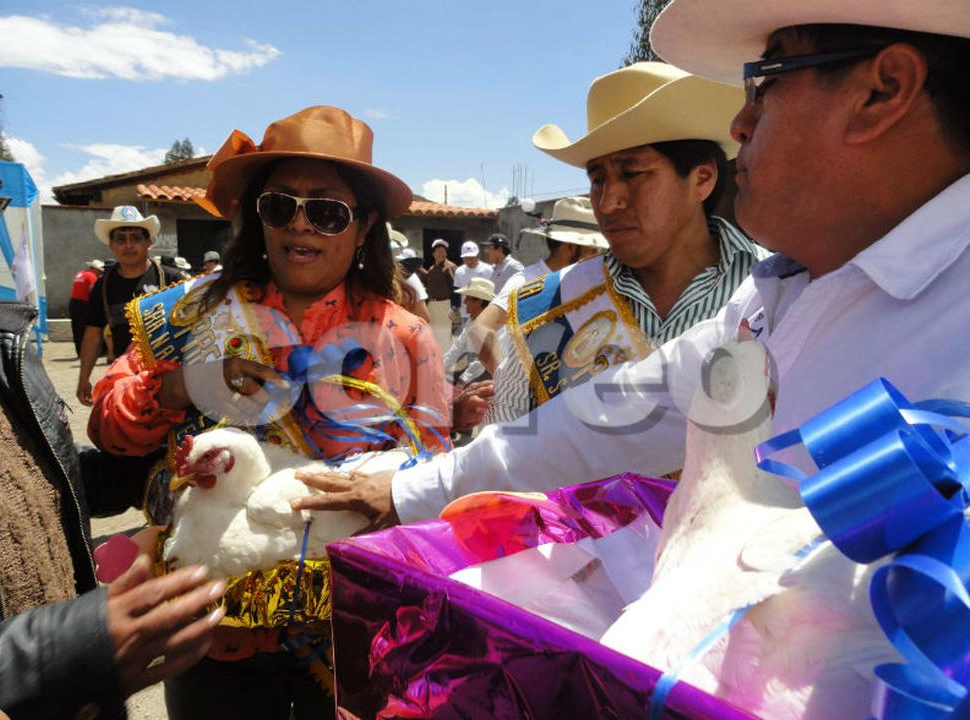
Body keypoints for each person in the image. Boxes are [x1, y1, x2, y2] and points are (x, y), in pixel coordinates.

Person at [292, 0, 970, 602]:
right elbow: (607, 415)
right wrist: (416, 492)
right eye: (597, 177)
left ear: (882, 92)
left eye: (767, 81)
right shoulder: (770, 300)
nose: (742, 119)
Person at [88, 105, 450, 720]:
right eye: (281, 206)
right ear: (258, 216)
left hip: (345, 628)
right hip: (208, 623)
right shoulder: (193, 314)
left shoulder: (406, 336)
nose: (301, 225)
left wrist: (386, 491)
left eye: (328, 211)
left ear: (363, 226)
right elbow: (106, 429)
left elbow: (437, 475)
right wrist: (183, 384)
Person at [0, 87, 222, 720]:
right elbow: (94, 337)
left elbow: (39, 486)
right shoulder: (96, 286)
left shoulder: (172, 285)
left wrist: (132, 469)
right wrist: (79, 638)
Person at [487, 65, 765, 424]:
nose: (606, 203)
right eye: (597, 179)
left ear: (702, 179)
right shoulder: (545, 307)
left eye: (632, 173)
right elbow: (507, 440)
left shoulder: (777, 292)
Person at [467, 196, 609, 375]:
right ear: (570, 248)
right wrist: (506, 381)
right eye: (592, 250)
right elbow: (480, 329)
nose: (596, 258)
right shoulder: (527, 282)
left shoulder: (584, 285)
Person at [77, 206, 183, 405]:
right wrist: (83, 378)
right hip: (125, 380)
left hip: (170, 379)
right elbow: (93, 333)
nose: (128, 245)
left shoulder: (171, 279)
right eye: (121, 239)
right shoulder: (103, 285)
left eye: (135, 238)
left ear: (148, 243)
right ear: (111, 245)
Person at [444, 276, 495, 388]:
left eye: (468, 298)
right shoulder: (472, 320)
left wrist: (464, 380)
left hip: (487, 371)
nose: (465, 302)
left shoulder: (489, 325)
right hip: (472, 366)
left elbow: (483, 360)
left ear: (479, 302)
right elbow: (458, 347)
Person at [422, 238, 457, 351]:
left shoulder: (449, 267)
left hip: (444, 305)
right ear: (433, 254)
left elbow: (455, 288)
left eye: (443, 251)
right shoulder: (432, 269)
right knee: (433, 333)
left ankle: (444, 362)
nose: (442, 253)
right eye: (439, 251)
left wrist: (454, 307)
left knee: (444, 334)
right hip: (432, 305)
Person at [69, 260, 105, 357]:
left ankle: (80, 352)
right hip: (83, 303)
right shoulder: (91, 276)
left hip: (74, 302)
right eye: (100, 271)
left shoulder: (81, 274)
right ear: (94, 269)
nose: (100, 274)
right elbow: (93, 291)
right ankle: (96, 351)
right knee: (89, 327)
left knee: (77, 328)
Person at [452, 240, 493, 321]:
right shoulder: (459, 271)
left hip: (484, 312)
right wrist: (454, 308)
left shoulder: (489, 270)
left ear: (477, 256)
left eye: (471, 258)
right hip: (465, 312)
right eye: (466, 258)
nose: (469, 261)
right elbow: (456, 292)